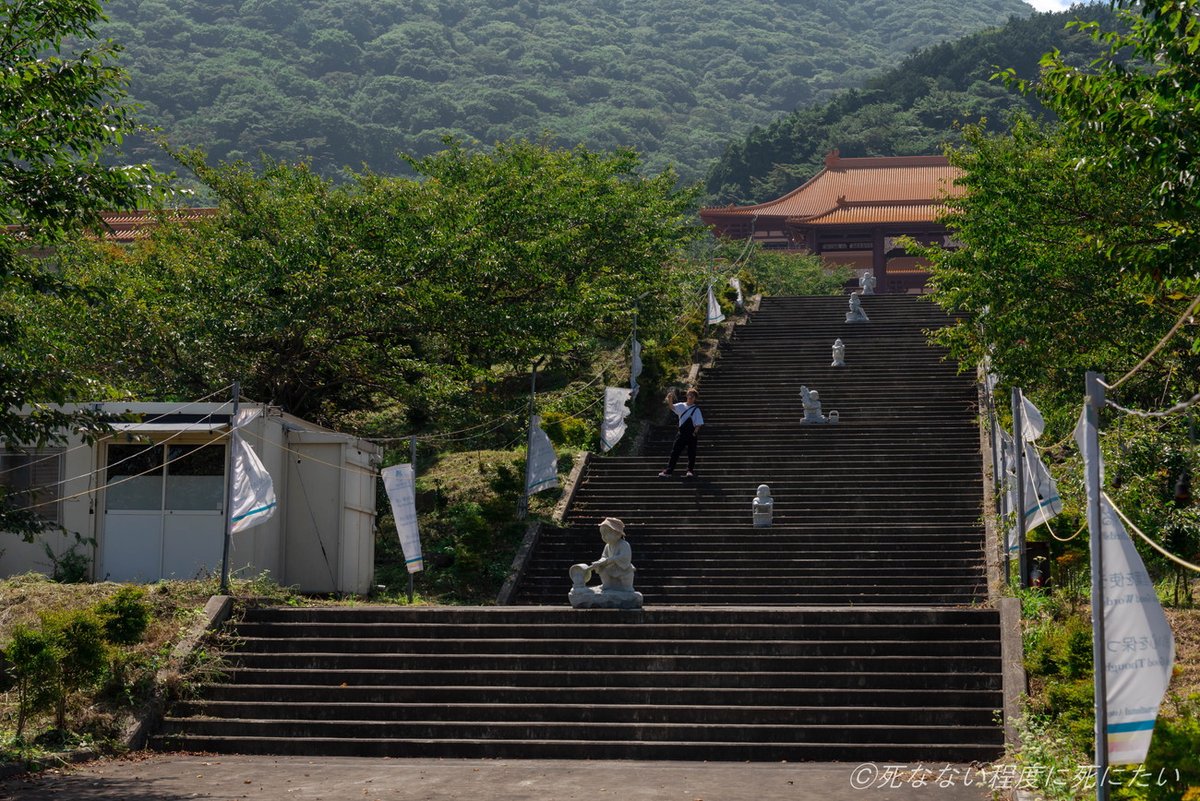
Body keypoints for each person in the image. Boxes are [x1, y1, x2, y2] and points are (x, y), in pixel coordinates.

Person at [659, 387, 703, 478]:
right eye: (689, 395)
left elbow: (698, 424)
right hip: (682, 432)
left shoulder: (696, 409)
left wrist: (694, 433)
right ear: (686, 395)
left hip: (691, 433)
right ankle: (669, 471)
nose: (690, 397)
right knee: (675, 452)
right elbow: (672, 407)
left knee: (691, 453)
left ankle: (690, 471)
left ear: (695, 398)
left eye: (692, 396)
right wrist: (670, 399)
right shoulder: (681, 405)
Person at [588, 517, 635, 591]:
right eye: (602, 534)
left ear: (618, 534)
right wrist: (599, 562)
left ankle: (627, 586)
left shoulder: (624, 544)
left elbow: (624, 557)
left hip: (623, 568)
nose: (604, 537)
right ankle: (606, 584)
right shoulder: (607, 546)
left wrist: (610, 560)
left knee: (627, 576)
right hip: (611, 568)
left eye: (606, 534)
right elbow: (604, 556)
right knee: (602, 569)